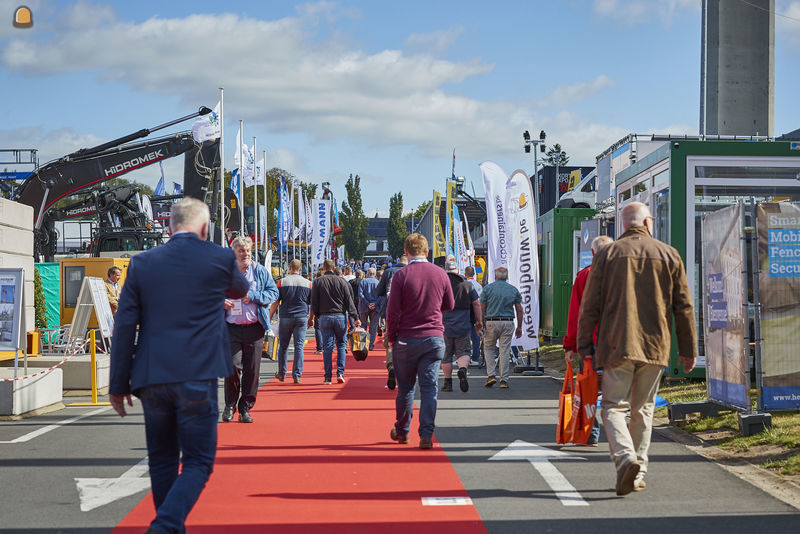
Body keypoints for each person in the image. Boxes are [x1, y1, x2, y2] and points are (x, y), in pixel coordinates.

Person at [109, 197, 249, 534]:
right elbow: (241, 290)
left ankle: (168, 526)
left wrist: (118, 384)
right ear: (204, 228)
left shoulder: (142, 263)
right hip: (197, 374)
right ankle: (167, 524)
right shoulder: (218, 257)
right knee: (199, 461)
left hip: (151, 375)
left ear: (168, 227)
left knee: (162, 460)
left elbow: (125, 325)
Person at [578, 202, 697, 496]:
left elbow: (589, 307)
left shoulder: (607, 255)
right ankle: (639, 470)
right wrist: (688, 349)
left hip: (617, 344)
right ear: (647, 223)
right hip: (656, 346)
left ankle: (624, 458)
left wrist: (585, 348)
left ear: (624, 224)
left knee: (613, 407)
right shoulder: (669, 254)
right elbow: (683, 307)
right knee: (643, 409)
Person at [386, 233, 454, 449]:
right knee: (429, 388)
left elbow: (392, 311)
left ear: (406, 252)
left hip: (407, 338)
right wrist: (432, 309)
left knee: (405, 388)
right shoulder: (441, 274)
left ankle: (403, 431)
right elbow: (449, 304)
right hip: (433, 337)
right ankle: (426, 434)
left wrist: (390, 338)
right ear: (427, 252)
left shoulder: (401, 276)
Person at [563, 235, 614, 446]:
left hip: (593, 344)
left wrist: (570, 345)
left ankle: (590, 434)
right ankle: (622, 437)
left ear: (592, 253)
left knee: (590, 390)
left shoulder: (584, 276)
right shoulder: (627, 275)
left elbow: (576, 314)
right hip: (622, 344)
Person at [222, 236, 279, 423]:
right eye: (241, 251)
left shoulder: (260, 272)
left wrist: (253, 296)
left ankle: (245, 407)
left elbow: (273, 292)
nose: (246, 254)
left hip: (255, 327)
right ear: (234, 253)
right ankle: (230, 405)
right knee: (232, 367)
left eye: (248, 250)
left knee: (252, 371)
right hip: (231, 328)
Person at [311, 258, 360, 384]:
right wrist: (356, 317)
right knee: (341, 345)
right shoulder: (342, 282)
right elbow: (349, 301)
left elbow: (314, 301)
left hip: (325, 316)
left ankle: (327, 377)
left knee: (327, 346)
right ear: (334, 268)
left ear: (324, 268)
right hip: (340, 316)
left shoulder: (318, 282)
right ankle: (340, 372)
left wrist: (316, 315)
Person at [441, 261, 482, 393]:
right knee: (463, 351)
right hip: (463, 324)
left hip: (444, 325)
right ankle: (463, 370)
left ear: (445, 271)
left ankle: (448, 383)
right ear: (458, 271)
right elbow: (476, 304)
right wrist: (479, 321)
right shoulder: (467, 285)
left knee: (446, 355)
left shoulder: (441, 285)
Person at [270, 259, 313, 384]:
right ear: (300, 269)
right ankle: (297, 375)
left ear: (289, 268)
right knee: (299, 346)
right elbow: (312, 304)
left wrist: (269, 318)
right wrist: (311, 318)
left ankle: (282, 373)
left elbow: (275, 302)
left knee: (283, 346)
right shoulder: (309, 284)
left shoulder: (281, 282)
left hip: (286, 317)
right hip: (301, 317)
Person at [480, 267, 523, 389]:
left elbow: (482, 307)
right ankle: (503, 379)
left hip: (491, 321)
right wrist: (519, 327)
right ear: (507, 277)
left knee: (488, 348)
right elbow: (519, 309)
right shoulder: (513, 289)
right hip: (508, 322)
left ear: (495, 276)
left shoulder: (488, 288)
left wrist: (480, 323)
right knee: (504, 350)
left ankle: (491, 375)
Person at [376, 255, 407, 389]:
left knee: (390, 342)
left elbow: (379, 291)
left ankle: (391, 366)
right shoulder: (413, 271)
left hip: (391, 311)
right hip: (409, 314)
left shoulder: (389, 271)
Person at [358, 267, 380, 350]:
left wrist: (368, 303)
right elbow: (381, 296)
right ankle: (370, 344)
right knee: (373, 326)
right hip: (375, 307)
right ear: (375, 274)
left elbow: (360, 294)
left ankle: (363, 345)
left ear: (367, 273)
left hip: (364, 306)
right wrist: (374, 303)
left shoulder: (363, 282)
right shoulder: (378, 283)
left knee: (363, 325)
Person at [464, 265, 482, 363]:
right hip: (477, 312)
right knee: (475, 336)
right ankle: (475, 357)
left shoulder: (464, 284)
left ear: (465, 273)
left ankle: (464, 357)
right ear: (474, 274)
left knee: (464, 336)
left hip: (466, 312)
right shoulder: (479, 285)